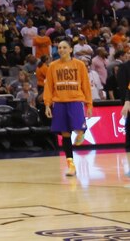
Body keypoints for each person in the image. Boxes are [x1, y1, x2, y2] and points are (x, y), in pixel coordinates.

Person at [43, 40, 92, 177]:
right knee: (65, 135)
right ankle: (71, 166)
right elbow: (49, 87)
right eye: (59, 48)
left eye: (64, 47)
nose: (61, 50)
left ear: (71, 50)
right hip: (59, 103)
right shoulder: (52, 66)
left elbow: (86, 86)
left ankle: (81, 132)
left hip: (75, 101)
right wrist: (47, 104)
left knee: (79, 127)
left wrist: (89, 104)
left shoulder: (80, 65)